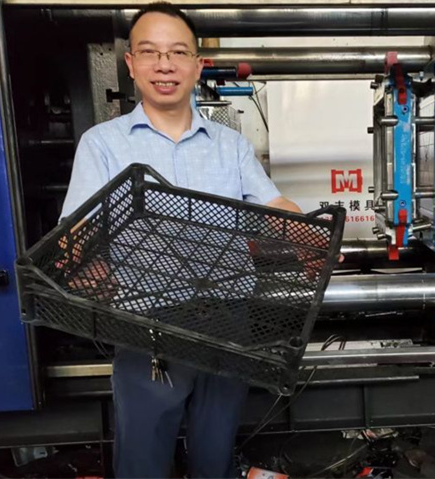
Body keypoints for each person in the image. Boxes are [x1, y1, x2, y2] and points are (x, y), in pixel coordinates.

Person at [60, 2, 304, 477]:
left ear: (198, 65)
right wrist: (80, 259)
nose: (164, 65)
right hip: (145, 323)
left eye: (177, 53)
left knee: (215, 453)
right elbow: (78, 226)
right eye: (150, 52)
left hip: (228, 320)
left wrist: (305, 232)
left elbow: (273, 206)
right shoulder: (103, 143)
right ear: (131, 64)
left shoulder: (231, 145)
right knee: (143, 459)